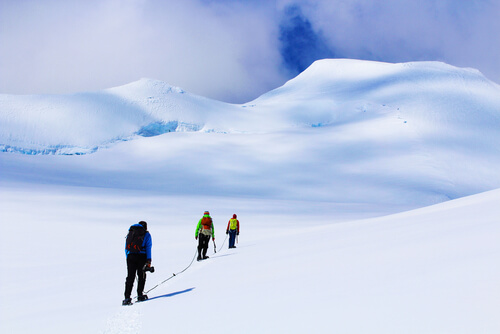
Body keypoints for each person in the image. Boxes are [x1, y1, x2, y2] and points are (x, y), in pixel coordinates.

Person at [123, 221, 152, 306]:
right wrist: (149, 260)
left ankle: (127, 297)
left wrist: (128, 257)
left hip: (130, 256)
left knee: (130, 276)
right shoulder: (146, 234)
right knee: (141, 275)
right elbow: (148, 247)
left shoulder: (131, 232)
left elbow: (126, 246)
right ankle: (140, 294)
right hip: (141, 256)